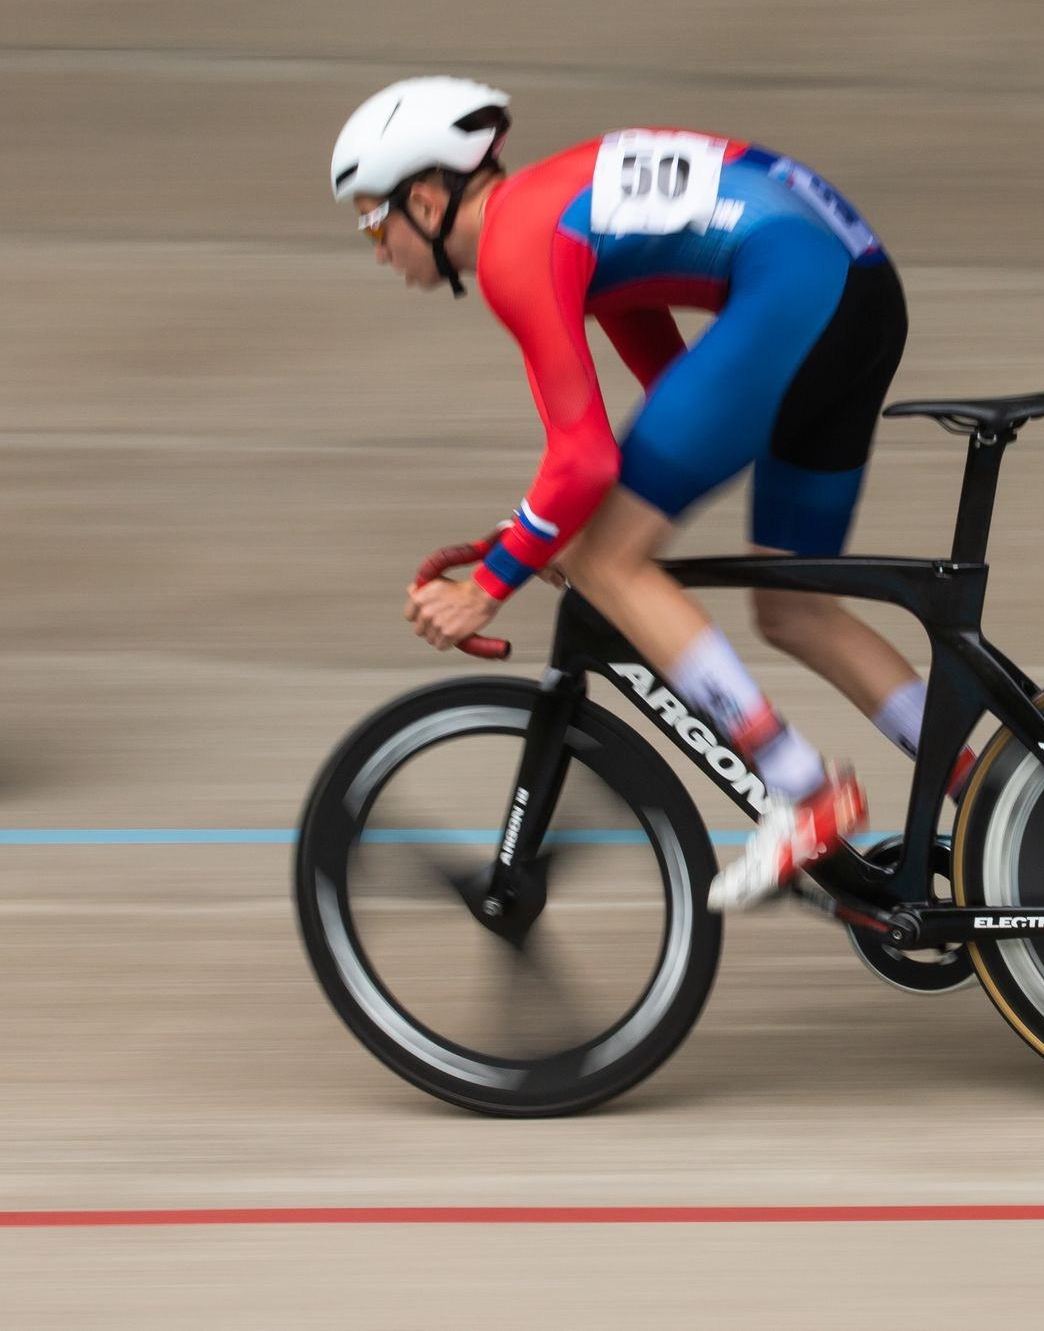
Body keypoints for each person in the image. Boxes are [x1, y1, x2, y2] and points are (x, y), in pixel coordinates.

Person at [331, 76, 940, 913]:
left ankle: (802, 794)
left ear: (428, 200)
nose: (374, 247)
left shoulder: (519, 246)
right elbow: (672, 395)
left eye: (372, 220)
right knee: (794, 608)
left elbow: (586, 461)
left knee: (608, 564)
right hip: (852, 291)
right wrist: (544, 528)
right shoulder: (569, 216)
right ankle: (1004, 797)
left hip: (798, 292)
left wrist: (492, 583)